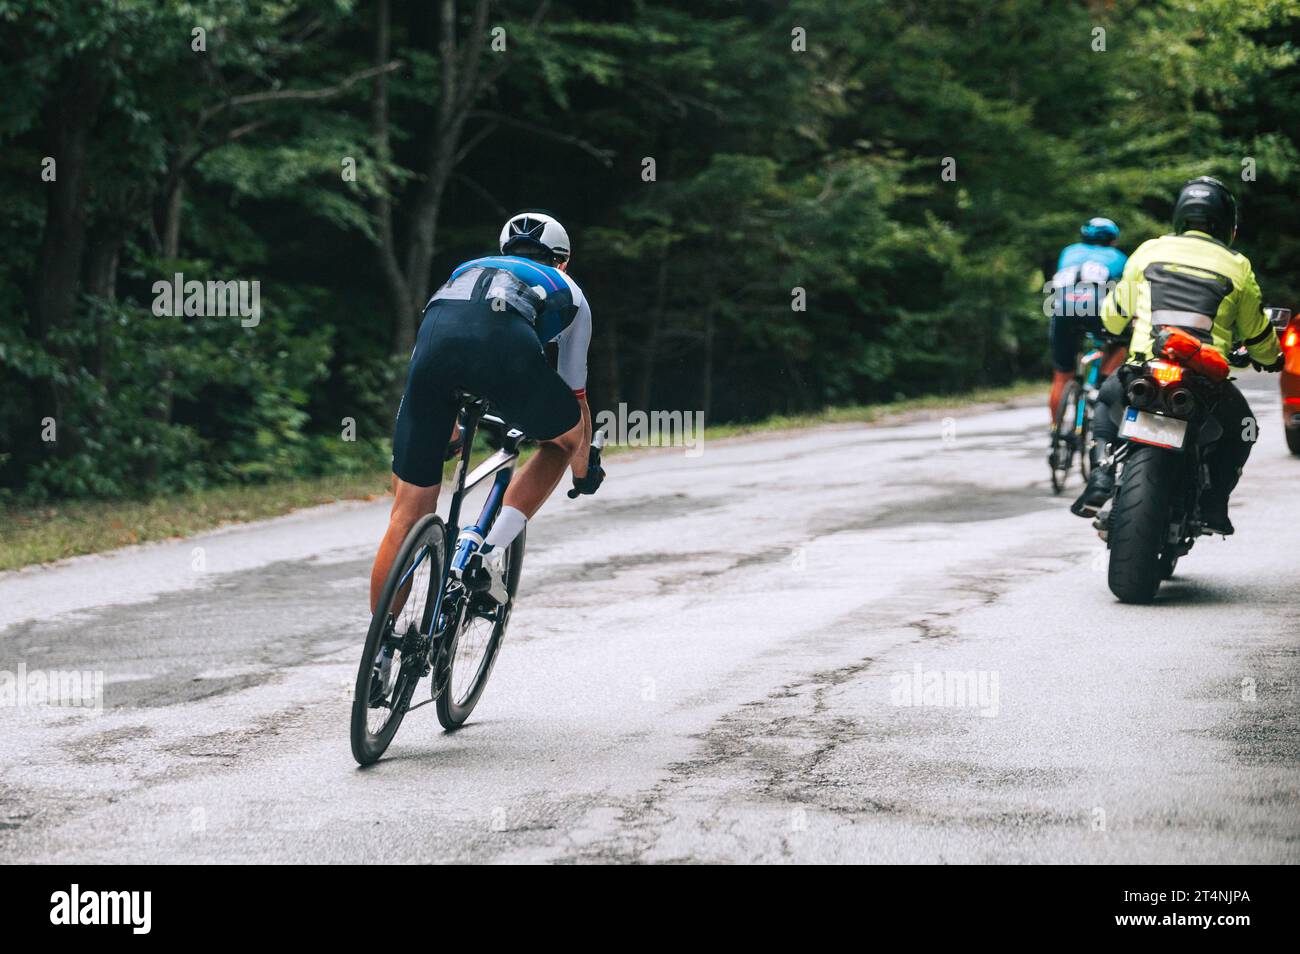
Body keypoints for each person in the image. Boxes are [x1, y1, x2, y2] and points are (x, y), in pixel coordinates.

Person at [370, 211, 604, 612]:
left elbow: (438, 349)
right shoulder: (570, 290)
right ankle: (488, 554)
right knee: (563, 439)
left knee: (407, 513)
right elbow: (574, 393)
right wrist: (584, 470)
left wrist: (451, 430)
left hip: (433, 350)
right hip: (506, 352)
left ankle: (380, 657)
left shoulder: (465, 270)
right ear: (562, 261)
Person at [1070, 177, 1283, 533]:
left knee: (1107, 399)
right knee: (1243, 429)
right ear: (1226, 223)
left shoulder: (1149, 250)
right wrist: (1269, 357)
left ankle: (1102, 474)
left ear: (1180, 215)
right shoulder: (1237, 265)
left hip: (1145, 368)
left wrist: (1113, 327)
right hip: (1203, 379)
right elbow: (1257, 331)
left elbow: (1114, 313)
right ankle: (1214, 504)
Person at [1047, 216, 1129, 425]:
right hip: (1097, 308)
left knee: (1061, 374)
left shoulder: (1069, 251)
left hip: (1062, 307)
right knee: (1122, 343)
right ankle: (1101, 385)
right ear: (1112, 239)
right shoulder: (1118, 256)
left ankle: (1055, 433)